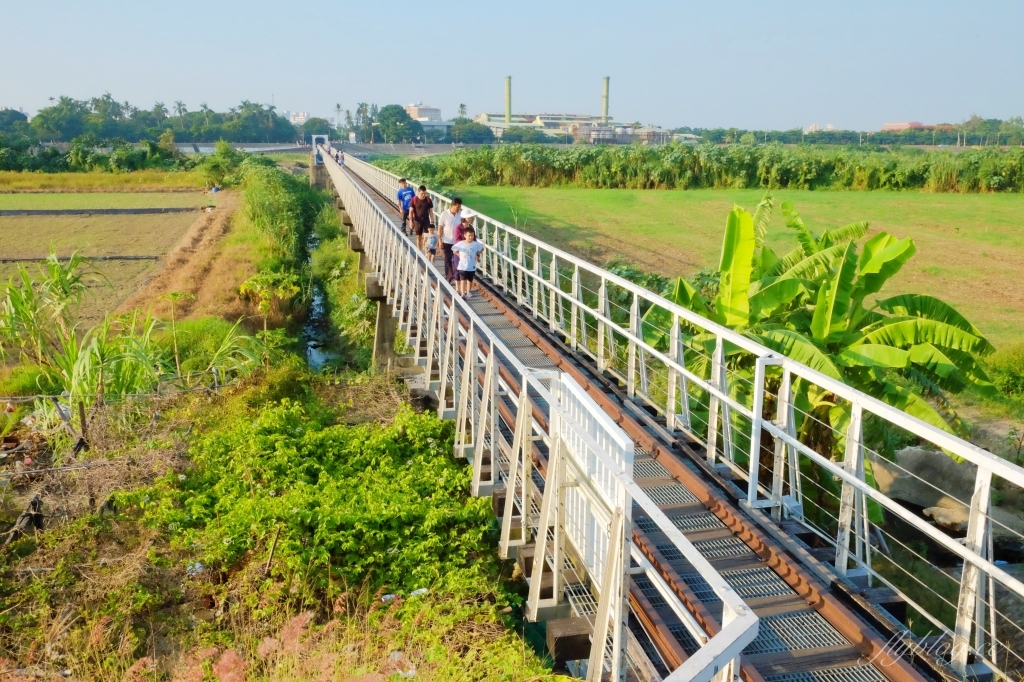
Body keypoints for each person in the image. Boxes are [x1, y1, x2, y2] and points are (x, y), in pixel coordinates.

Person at [452, 227, 484, 299]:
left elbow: (482, 248)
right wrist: (458, 254)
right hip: (462, 265)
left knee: (470, 279)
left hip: (471, 265)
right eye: (469, 235)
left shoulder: (475, 244)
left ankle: (468, 292)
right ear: (465, 235)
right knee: (463, 279)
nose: (471, 237)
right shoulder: (461, 243)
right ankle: (463, 293)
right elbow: (453, 249)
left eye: (472, 235)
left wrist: (478, 254)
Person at [437, 197, 463, 283]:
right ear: (452, 205)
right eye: (457, 207)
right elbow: (440, 227)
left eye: (459, 207)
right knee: (448, 259)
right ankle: (448, 276)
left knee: (456, 260)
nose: (458, 209)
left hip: (458, 242)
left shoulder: (460, 214)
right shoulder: (444, 214)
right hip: (447, 241)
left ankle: (456, 277)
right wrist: (440, 240)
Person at [409, 185, 434, 251]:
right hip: (417, 220)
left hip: (426, 220)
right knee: (418, 237)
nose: (424, 195)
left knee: (426, 236)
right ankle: (419, 251)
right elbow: (410, 211)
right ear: (418, 192)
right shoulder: (414, 200)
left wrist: (432, 221)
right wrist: (411, 222)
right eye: (422, 193)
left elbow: (431, 211)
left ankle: (426, 250)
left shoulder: (428, 200)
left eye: (425, 193)